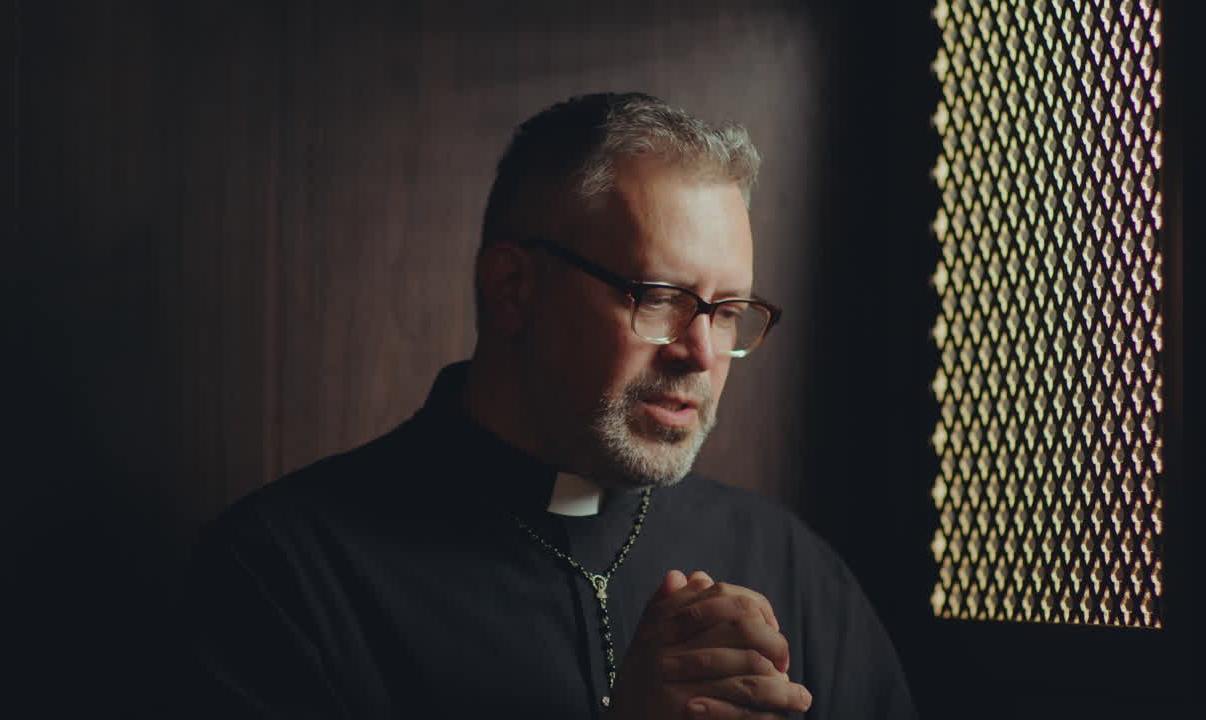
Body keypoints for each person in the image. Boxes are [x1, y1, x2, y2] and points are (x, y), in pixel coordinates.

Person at [168, 93, 917, 719]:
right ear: (512, 290)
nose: (701, 352)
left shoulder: (791, 569)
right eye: (660, 298)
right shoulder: (283, 577)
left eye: (727, 312)